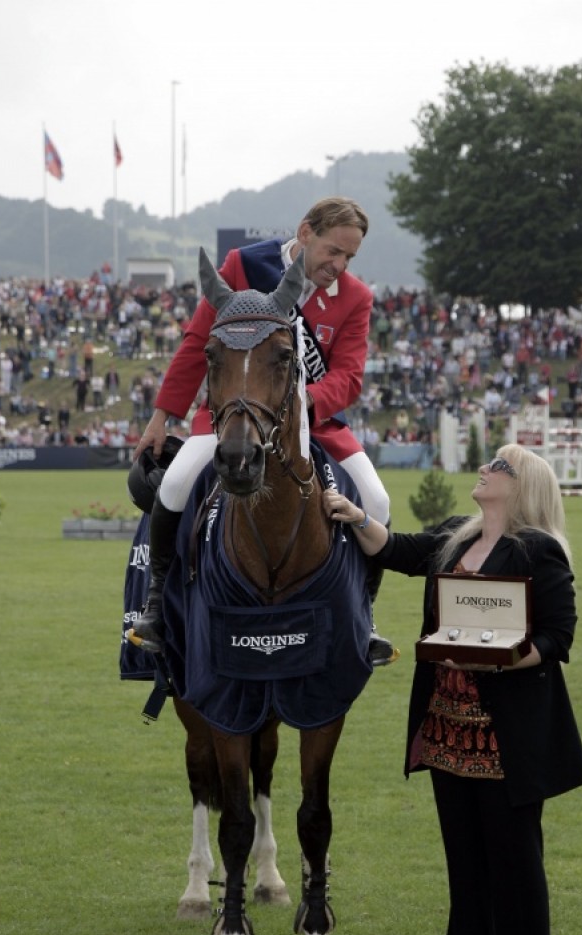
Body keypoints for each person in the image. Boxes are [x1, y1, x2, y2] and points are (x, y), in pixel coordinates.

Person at [322, 444, 582, 935]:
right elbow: (396, 549)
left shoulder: (539, 551)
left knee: (516, 855)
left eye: (498, 465)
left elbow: (557, 637)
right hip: (447, 726)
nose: (486, 468)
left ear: (519, 487)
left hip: (505, 733)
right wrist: (356, 516)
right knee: (463, 854)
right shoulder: (456, 535)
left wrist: (501, 658)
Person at [131, 197, 393, 663]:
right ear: (306, 231)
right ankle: (155, 606)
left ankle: (364, 614)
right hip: (233, 415)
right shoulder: (243, 265)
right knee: (174, 484)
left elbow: (349, 377)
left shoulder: (355, 298)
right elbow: (198, 343)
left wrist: (304, 401)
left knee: (376, 501)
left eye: (349, 257)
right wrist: (161, 415)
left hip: (314, 422)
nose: (339, 265)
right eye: (334, 251)